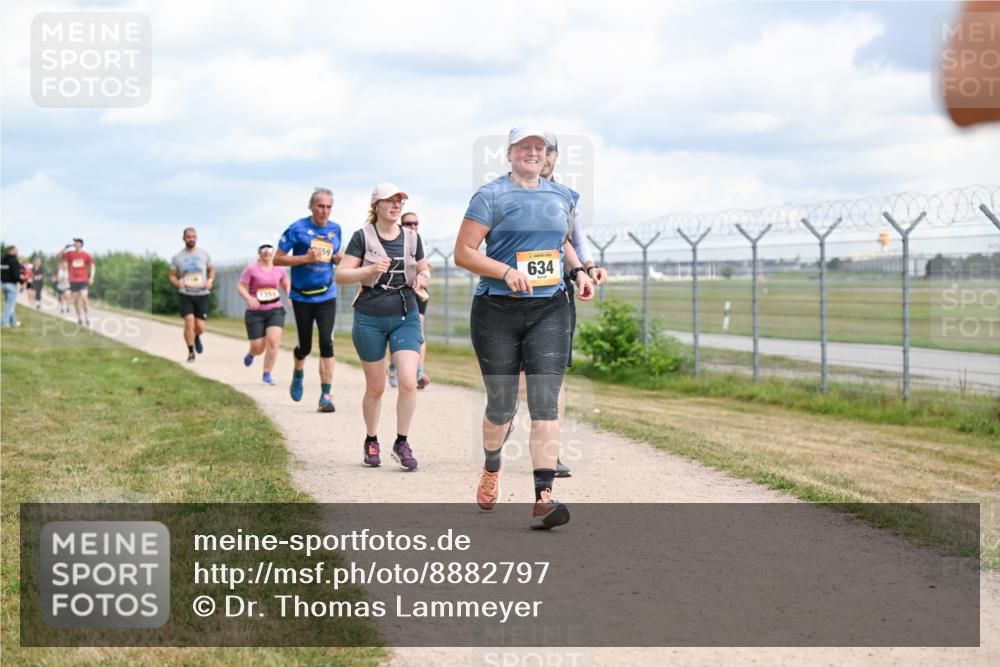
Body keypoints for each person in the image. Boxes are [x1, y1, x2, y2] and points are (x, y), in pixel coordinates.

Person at [455, 126, 594, 529]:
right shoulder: (490, 195)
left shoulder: (561, 196)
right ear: (510, 152)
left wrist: (580, 272)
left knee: (545, 402)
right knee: (501, 406)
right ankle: (492, 466)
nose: (533, 153)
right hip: (496, 310)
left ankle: (544, 497)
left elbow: (561, 243)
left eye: (540, 147)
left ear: (547, 154)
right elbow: (463, 252)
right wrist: (505, 271)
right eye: (525, 147)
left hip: (550, 308)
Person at [336, 183, 430, 471]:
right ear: (375, 205)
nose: (396, 205)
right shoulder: (361, 237)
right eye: (390, 201)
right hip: (370, 317)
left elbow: (424, 267)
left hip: (406, 314)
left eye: (400, 201)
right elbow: (341, 275)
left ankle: (402, 442)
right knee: (376, 388)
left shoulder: (413, 238)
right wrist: (369, 270)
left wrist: (423, 277)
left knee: (408, 380)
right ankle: (371, 440)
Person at [537, 131, 610, 478]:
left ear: (556, 157)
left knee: (553, 373)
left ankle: (551, 450)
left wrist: (589, 267)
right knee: (520, 377)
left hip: (556, 290)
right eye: (536, 150)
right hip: (512, 291)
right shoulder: (503, 193)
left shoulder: (567, 196)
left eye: (549, 151)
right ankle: (504, 424)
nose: (543, 157)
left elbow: (576, 239)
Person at [274, 187, 343, 412]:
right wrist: (305, 257)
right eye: (320, 206)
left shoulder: (335, 230)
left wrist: (337, 258)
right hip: (302, 296)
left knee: (327, 342)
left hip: (326, 294)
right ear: (311, 206)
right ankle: (298, 372)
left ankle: (326, 395)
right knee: (305, 346)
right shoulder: (297, 229)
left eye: (328, 207)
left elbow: (332, 257)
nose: (325, 211)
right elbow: (277, 259)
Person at [387, 211, 432, 390]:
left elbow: (424, 267)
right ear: (401, 224)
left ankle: (419, 372)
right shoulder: (396, 242)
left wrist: (425, 271)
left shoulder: (422, 242)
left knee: (419, 330)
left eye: (415, 223)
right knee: (396, 330)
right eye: (408, 223)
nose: (412, 226)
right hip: (399, 290)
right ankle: (393, 367)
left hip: (418, 290)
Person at [237, 244, 290, 385]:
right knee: (258, 347)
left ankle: (267, 374)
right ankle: (252, 353)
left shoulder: (280, 268)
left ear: (273, 252)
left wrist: (290, 296)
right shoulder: (251, 269)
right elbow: (241, 286)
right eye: (263, 249)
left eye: (270, 249)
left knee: (273, 341)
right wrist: (249, 298)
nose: (267, 252)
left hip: (275, 310)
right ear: (259, 253)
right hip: (255, 312)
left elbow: (286, 284)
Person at [169, 228, 214, 362]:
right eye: (188, 237)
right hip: (186, 293)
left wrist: (210, 281)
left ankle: (196, 336)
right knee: (189, 321)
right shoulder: (177, 257)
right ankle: (190, 352)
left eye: (193, 237)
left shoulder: (204, 254)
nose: (191, 239)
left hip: (202, 293)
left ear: (196, 238)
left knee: (200, 326)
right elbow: (172, 276)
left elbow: (211, 271)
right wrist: (178, 283)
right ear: (183, 238)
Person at [58, 238, 95, 326]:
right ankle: (80, 317)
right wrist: (65, 248)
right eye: (74, 243)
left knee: (84, 296)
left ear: (81, 244)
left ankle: (87, 316)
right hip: (73, 280)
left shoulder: (86, 255)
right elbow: (59, 256)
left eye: (77, 242)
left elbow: (92, 266)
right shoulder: (70, 254)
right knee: (76, 300)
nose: (75, 244)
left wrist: (92, 277)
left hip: (83, 280)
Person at [1, 245, 23, 327]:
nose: (17, 251)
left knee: (9, 304)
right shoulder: (14, 261)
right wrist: (22, 282)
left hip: (3, 284)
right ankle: (4, 322)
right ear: (11, 250)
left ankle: (13, 322)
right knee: (10, 305)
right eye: (16, 250)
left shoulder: (2, 260)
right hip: (11, 285)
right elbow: (16, 276)